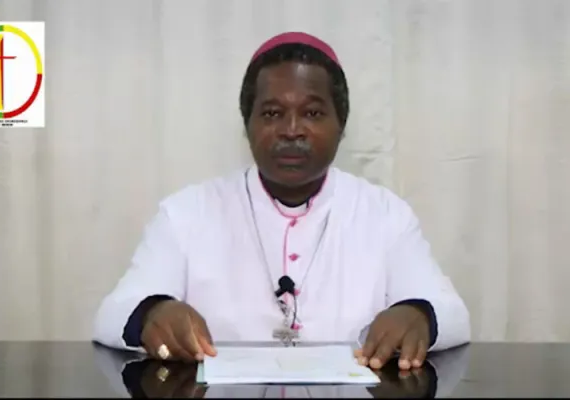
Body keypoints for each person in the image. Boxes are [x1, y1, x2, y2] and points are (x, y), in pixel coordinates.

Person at [93, 31, 470, 371]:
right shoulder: (186, 213)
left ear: (341, 125)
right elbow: (111, 316)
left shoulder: (385, 214)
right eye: (272, 113)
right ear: (248, 124)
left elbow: (454, 316)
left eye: (312, 113)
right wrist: (153, 313)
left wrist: (418, 314)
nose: (291, 130)